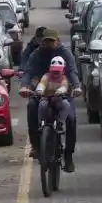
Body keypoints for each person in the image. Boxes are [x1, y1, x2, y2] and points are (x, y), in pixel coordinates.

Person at [19, 29, 81, 172]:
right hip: (42, 91)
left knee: (71, 119)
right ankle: (36, 146)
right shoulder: (36, 54)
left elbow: (71, 71)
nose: (48, 44)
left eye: (51, 41)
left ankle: (68, 156)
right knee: (31, 107)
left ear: (57, 41)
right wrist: (24, 86)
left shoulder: (65, 53)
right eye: (45, 41)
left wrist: (76, 86)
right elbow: (28, 72)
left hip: (63, 93)